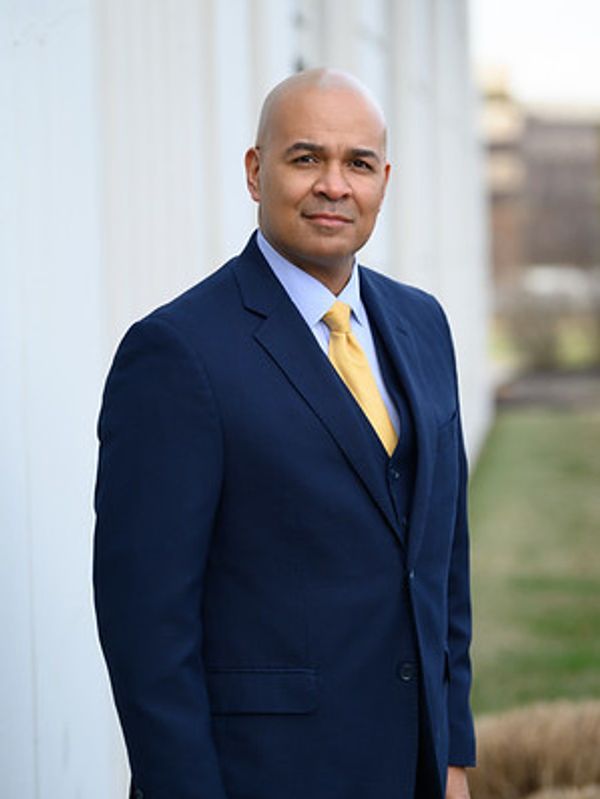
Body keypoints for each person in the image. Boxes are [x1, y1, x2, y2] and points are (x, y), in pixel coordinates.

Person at [93, 67, 475, 799]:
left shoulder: (424, 323)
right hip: (264, 776)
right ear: (255, 170)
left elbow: (443, 562)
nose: (335, 184)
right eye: (307, 158)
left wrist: (451, 751)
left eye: (357, 163)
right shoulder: (177, 353)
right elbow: (148, 631)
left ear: (383, 181)